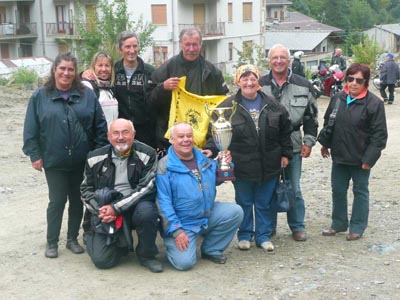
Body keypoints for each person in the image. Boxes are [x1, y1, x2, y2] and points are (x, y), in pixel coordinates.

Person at [22, 52, 108, 259]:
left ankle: (72, 239)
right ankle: (52, 242)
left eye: (70, 69)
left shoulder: (87, 96)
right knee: (57, 201)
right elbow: (30, 129)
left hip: (82, 159)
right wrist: (35, 155)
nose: (66, 73)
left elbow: (100, 127)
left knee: (78, 201)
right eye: (62, 68)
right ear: (54, 70)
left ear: (75, 73)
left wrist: (96, 156)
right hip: (54, 159)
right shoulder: (40, 96)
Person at [205, 65, 293, 253]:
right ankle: (245, 235)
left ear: (258, 81)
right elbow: (214, 133)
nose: (249, 82)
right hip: (242, 166)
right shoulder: (227, 107)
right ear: (238, 82)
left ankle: (263, 236)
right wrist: (211, 150)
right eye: (244, 78)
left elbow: (286, 131)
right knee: (244, 201)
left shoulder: (273, 105)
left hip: (269, 164)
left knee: (264, 202)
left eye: (252, 78)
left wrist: (286, 153)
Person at [156, 122, 243, 271]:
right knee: (184, 263)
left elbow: (218, 179)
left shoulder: (203, 158)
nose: (186, 140)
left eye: (189, 136)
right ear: (171, 139)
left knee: (235, 212)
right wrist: (176, 230)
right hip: (183, 223)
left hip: (206, 215)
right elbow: (163, 203)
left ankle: (211, 249)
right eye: (181, 136)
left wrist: (226, 163)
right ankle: (176, 242)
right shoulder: (165, 166)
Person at [80, 118, 163, 272]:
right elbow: (85, 190)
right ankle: (119, 244)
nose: (121, 137)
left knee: (147, 211)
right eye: (116, 133)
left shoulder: (148, 154)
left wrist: (116, 208)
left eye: (126, 132)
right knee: (102, 261)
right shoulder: (94, 157)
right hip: (106, 208)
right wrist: (102, 211)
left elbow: (146, 187)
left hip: (135, 206)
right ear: (108, 136)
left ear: (134, 134)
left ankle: (147, 255)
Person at [320, 63, 388, 241]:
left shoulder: (374, 104)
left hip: (361, 159)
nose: (354, 83)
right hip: (339, 157)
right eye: (350, 79)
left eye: (359, 80)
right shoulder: (338, 98)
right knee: (338, 190)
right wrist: (325, 144)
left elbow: (379, 136)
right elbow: (329, 122)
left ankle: (357, 227)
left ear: (365, 82)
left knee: (360, 192)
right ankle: (338, 223)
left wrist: (369, 159)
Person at [259, 44, 318, 241]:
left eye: (282, 57)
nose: (278, 61)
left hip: (293, 144)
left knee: (294, 187)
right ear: (269, 61)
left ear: (289, 60)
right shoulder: (260, 85)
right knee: (267, 188)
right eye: (274, 57)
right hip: (265, 146)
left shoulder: (304, 85)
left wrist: (309, 142)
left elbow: (311, 117)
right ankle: (268, 227)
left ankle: (297, 226)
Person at [151, 27, 229, 150]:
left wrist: (211, 142)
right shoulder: (166, 69)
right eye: (187, 44)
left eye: (195, 45)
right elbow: (150, 103)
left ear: (201, 45)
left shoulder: (213, 73)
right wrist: (163, 88)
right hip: (171, 140)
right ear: (181, 44)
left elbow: (224, 105)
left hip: (203, 139)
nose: (191, 49)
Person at [83, 31, 157, 148]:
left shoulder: (150, 72)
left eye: (135, 46)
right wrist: (83, 73)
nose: (132, 50)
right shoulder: (113, 71)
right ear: (120, 49)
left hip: (145, 132)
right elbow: (97, 77)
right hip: (120, 133)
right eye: (127, 46)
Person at [82, 51, 118, 127]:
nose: (104, 69)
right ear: (93, 67)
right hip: (97, 138)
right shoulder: (88, 86)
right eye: (100, 65)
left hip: (112, 137)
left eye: (107, 65)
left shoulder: (111, 88)